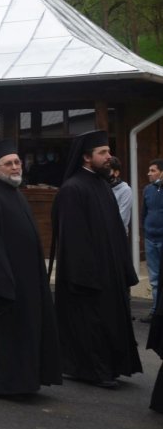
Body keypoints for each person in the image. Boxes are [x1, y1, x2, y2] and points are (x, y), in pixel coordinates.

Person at [0, 139, 62, 396]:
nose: (16, 167)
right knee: (7, 336)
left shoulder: (15, 193)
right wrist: (1, 285)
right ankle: (6, 383)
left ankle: (23, 378)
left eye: (17, 162)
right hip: (7, 284)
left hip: (28, 280)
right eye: (9, 163)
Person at [51, 130, 142, 389]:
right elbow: (74, 240)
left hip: (109, 273)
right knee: (90, 326)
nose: (108, 157)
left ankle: (110, 367)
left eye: (108, 151)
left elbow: (115, 231)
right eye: (103, 153)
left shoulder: (101, 184)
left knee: (108, 323)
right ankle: (92, 371)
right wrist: (86, 277)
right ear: (87, 158)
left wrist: (123, 269)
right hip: (87, 278)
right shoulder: (73, 189)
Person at [142, 159, 163, 323]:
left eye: (153, 170)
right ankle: (155, 312)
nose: (149, 173)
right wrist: (145, 230)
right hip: (150, 238)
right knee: (155, 279)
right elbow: (144, 212)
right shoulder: (147, 190)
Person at [107, 156, 133, 233]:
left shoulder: (125, 190)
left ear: (116, 173)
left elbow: (123, 217)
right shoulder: (100, 187)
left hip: (117, 234)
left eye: (108, 170)